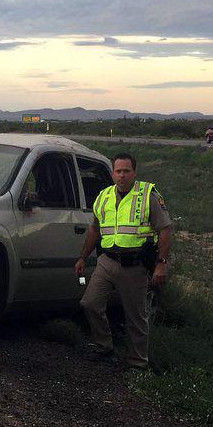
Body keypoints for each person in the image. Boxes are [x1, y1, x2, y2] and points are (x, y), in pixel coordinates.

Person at [74, 152, 172, 370]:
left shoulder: (148, 195)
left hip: (134, 265)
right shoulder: (104, 196)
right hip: (107, 261)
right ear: (112, 174)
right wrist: (82, 257)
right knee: (90, 303)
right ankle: (104, 347)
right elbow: (95, 229)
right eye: (118, 171)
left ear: (134, 173)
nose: (122, 175)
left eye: (126, 171)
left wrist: (161, 263)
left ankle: (137, 363)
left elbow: (165, 229)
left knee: (135, 317)